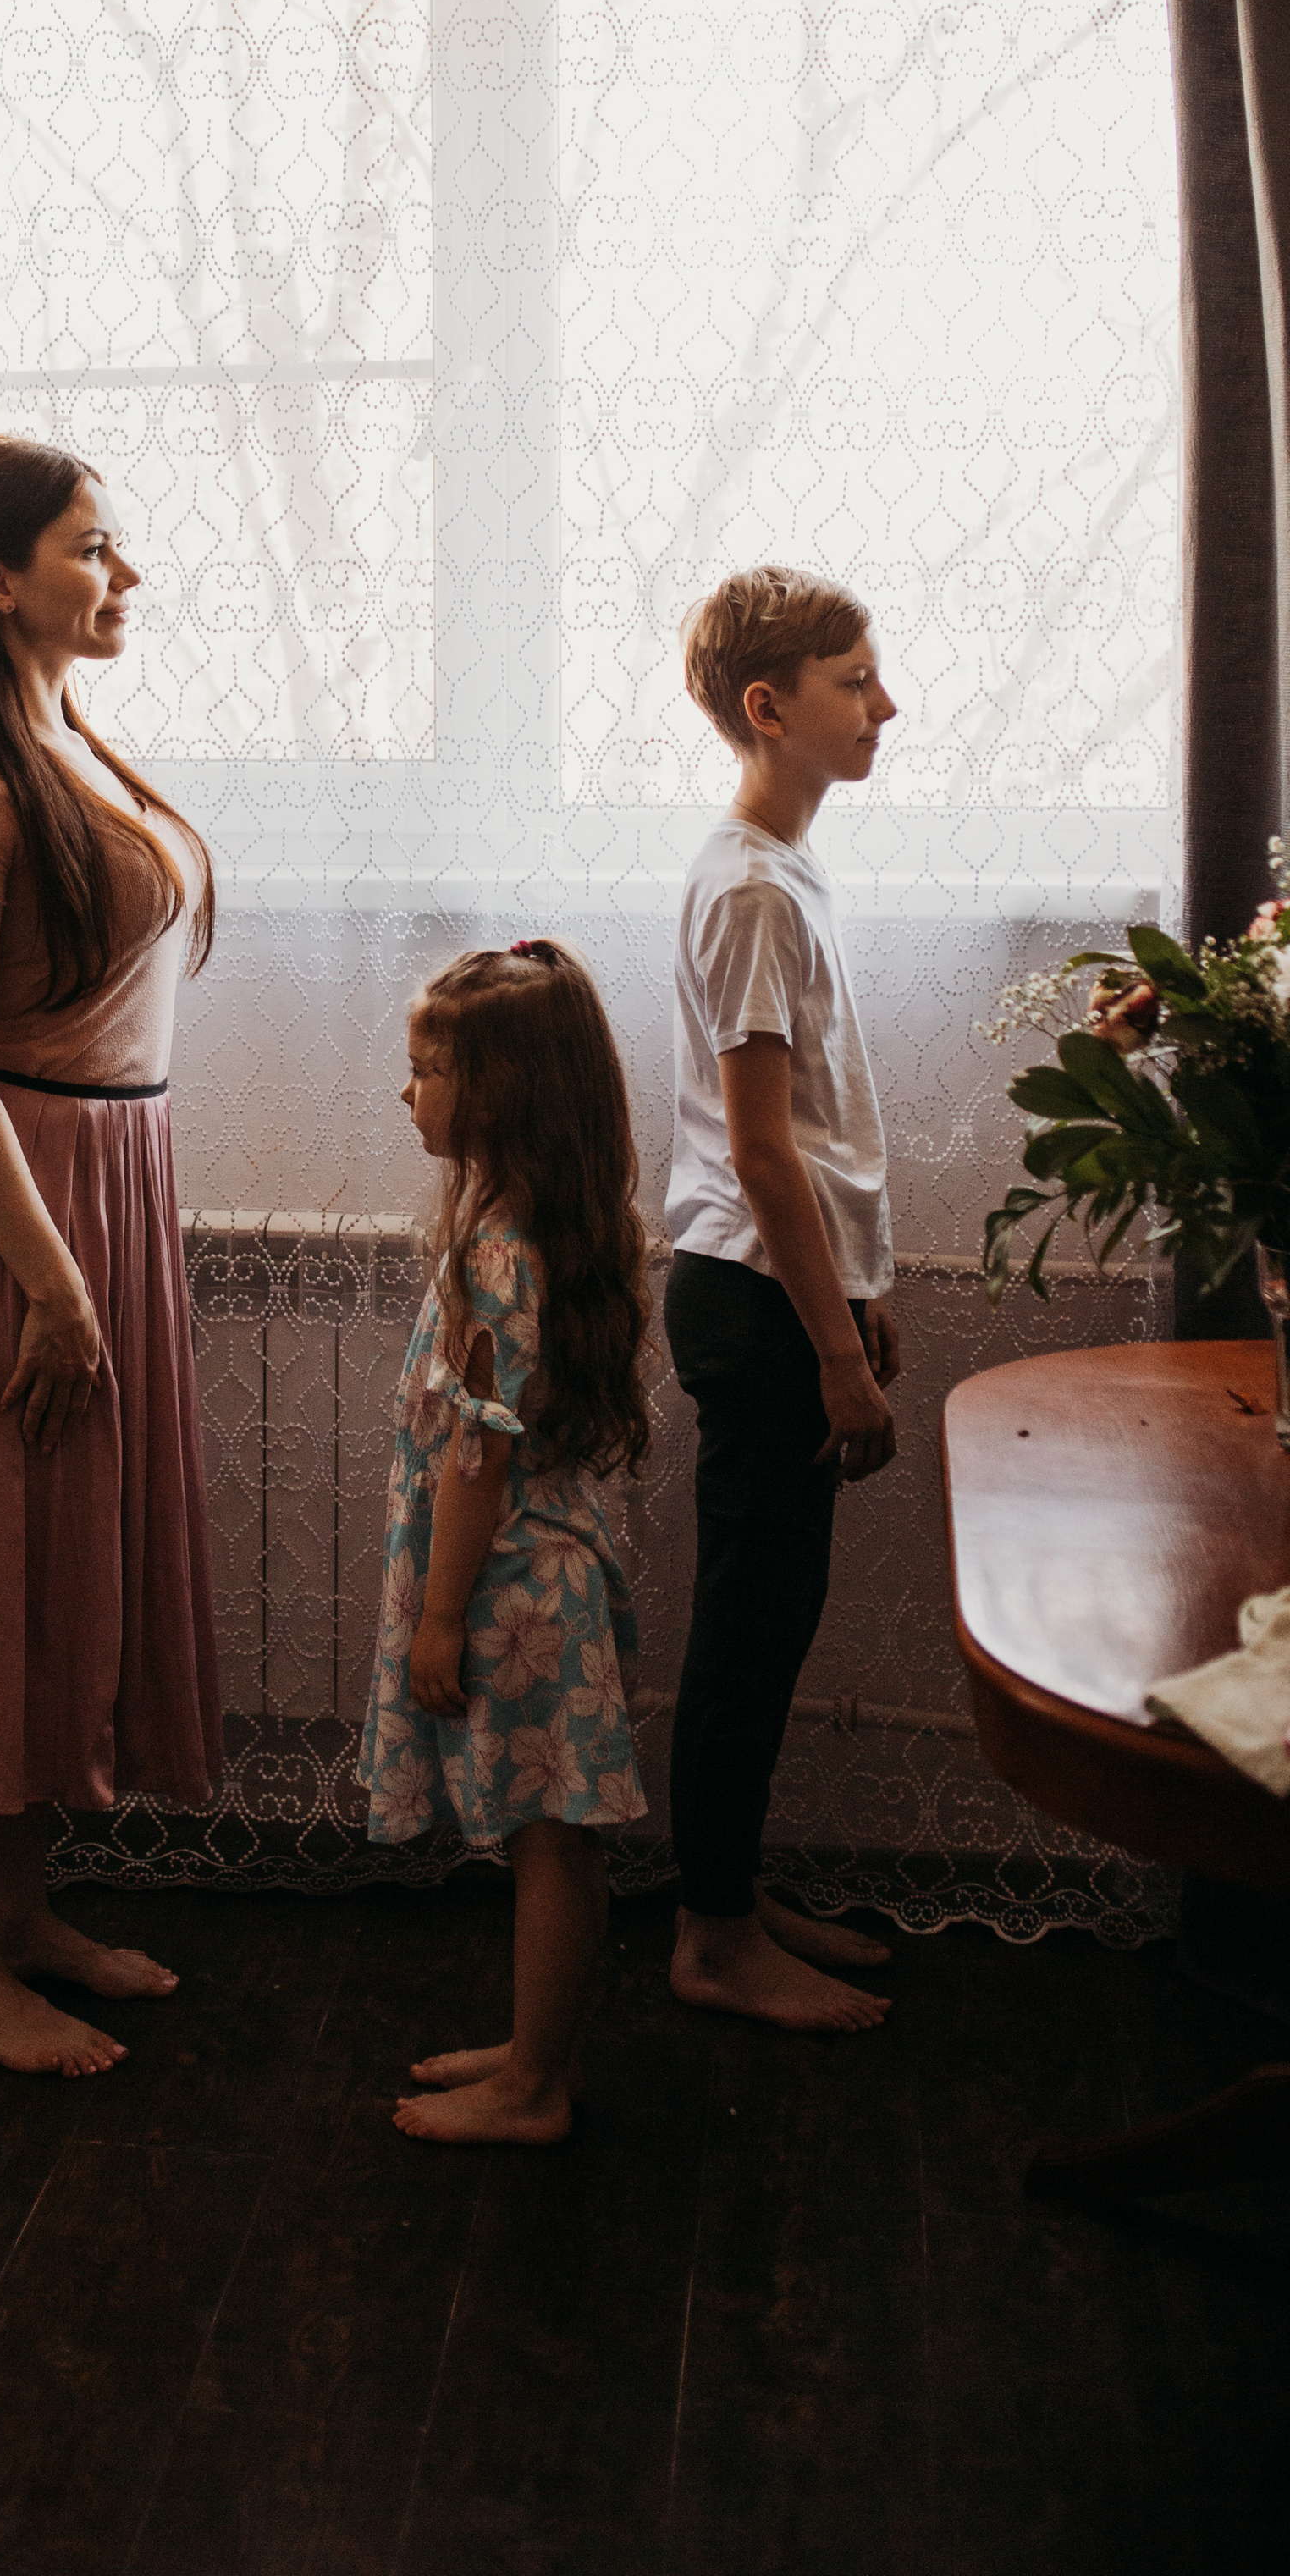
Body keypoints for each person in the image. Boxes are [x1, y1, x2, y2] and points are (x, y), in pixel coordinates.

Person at [0, 438, 221, 2080]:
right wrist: (56, 1277)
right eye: (94, 546)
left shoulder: (60, 738)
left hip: (101, 1185)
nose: (123, 574)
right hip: (21, 1216)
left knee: (51, 1572)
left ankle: (20, 1920)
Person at [664, 565, 902, 2034]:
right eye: (856, 681)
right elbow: (759, 1148)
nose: (887, 706)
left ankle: (735, 1895)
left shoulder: (783, 869)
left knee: (776, 1613)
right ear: (770, 707)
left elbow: (807, 1130)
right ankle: (711, 1936)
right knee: (749, 1627)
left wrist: (862, 1293)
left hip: (788, 1289)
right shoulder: (753, 885)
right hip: (754, 1301)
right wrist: (836, 1349)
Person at [361, 941, 650, 2144]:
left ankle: (536, 2087)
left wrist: (438, 1614)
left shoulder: (494, 1255)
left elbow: (478, 1457)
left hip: (512, 1590)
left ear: (501, 1091)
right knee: (554, 1835)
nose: (407, 1091)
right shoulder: (537, 1227)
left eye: (427, 1070)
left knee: (547, 1841)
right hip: (550, 1574)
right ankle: (539, 2049)